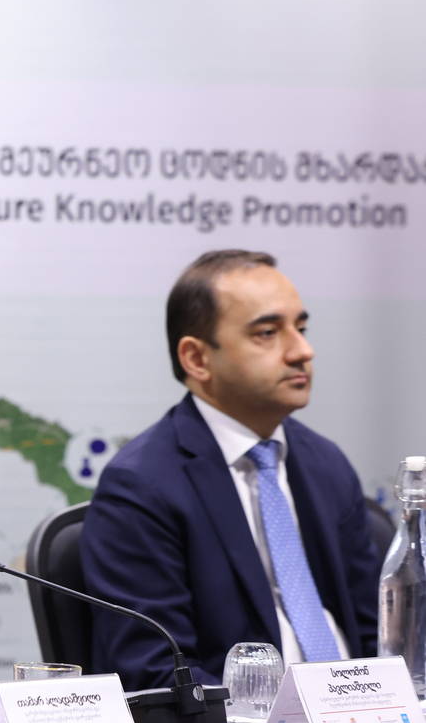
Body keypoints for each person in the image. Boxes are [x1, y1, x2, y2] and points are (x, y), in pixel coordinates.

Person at [81, 250, 378, 690]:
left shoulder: (325, 463)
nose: (303, 351)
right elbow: (157, 675)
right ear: (197, 359)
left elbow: (381, 637)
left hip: (363, 717)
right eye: (267, 333)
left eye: (300, 328)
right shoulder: (141, 486)